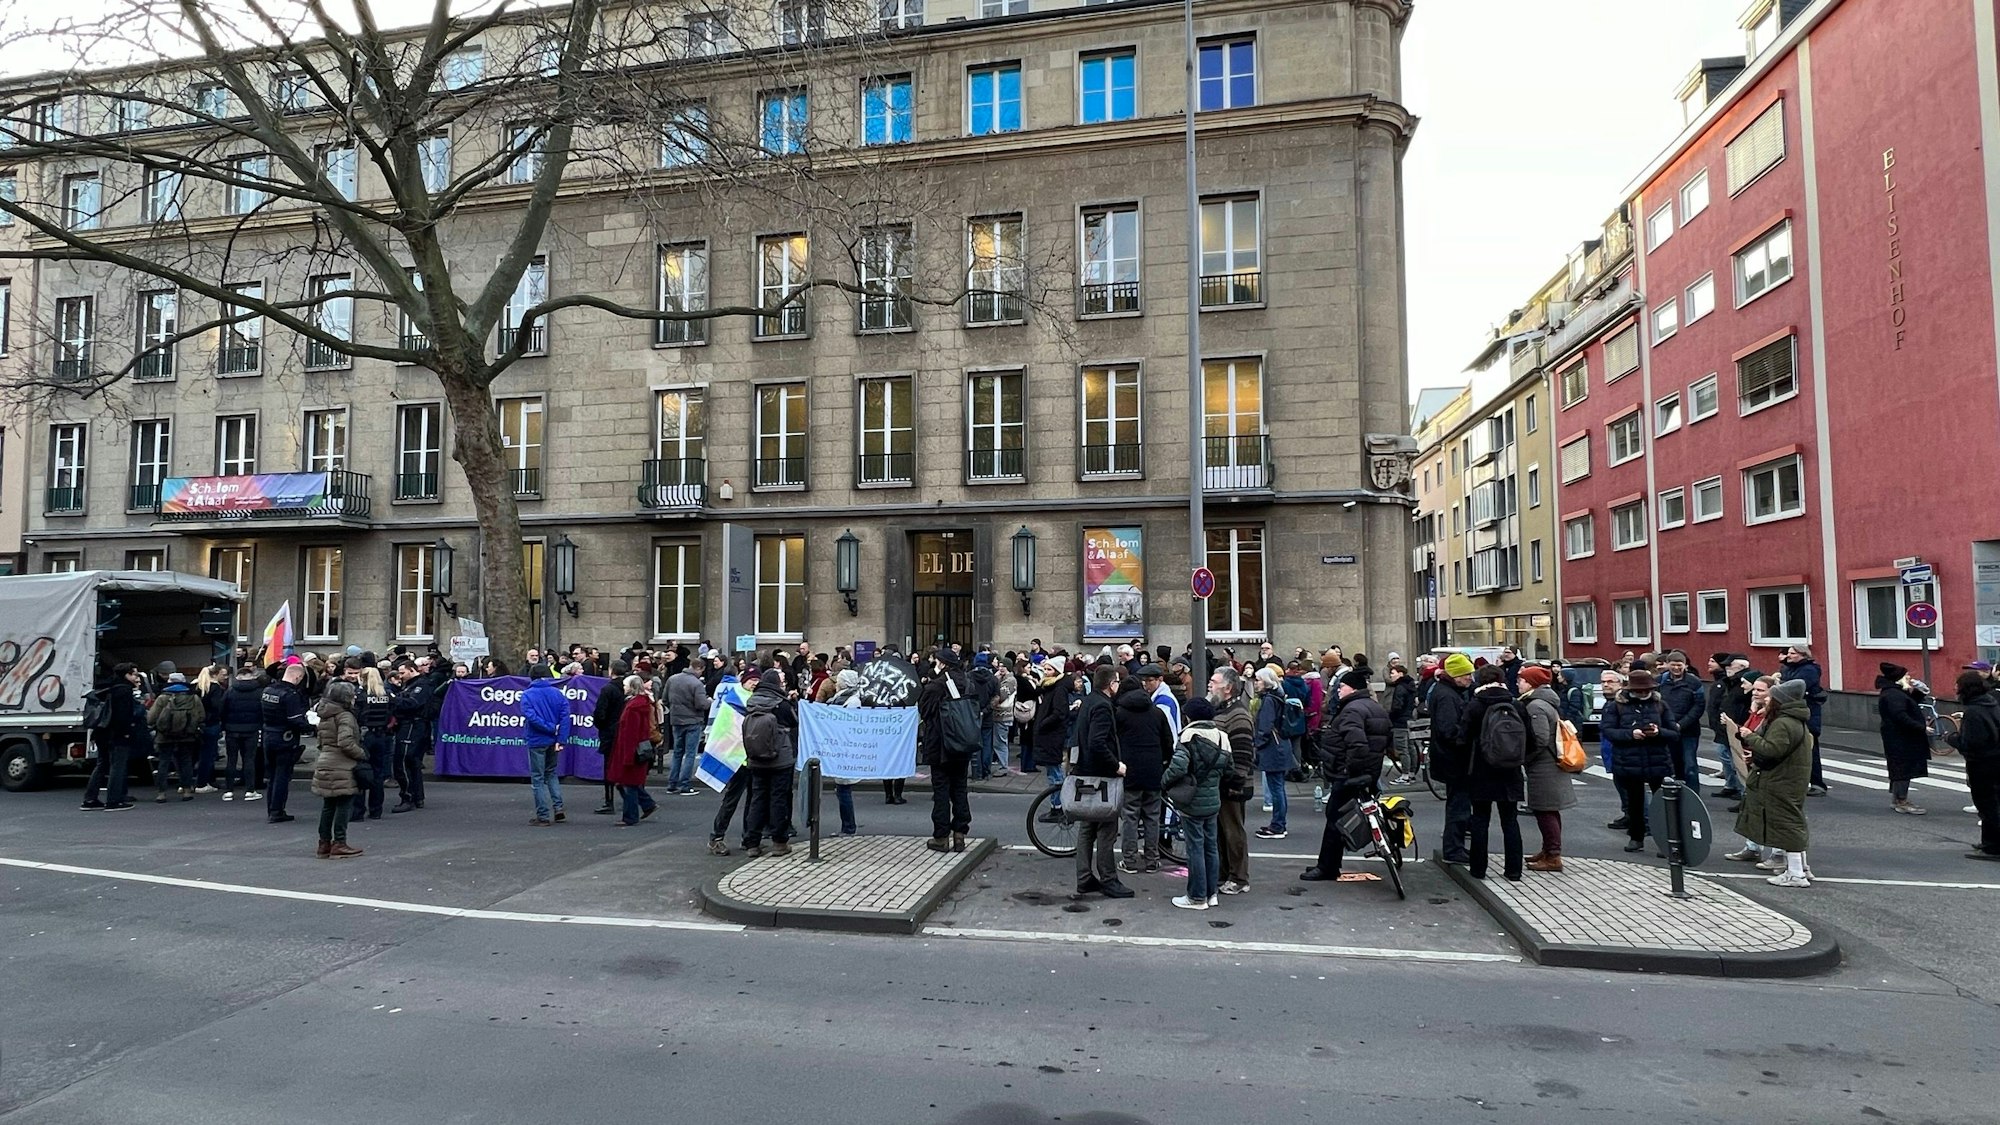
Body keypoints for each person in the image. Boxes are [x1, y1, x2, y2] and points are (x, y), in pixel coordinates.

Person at [1300, 667, 1391, 881]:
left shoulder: (1352, 710)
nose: (1338, 691)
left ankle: (1327, 867)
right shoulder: (1373, 707)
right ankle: (1329, 863)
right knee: (1345, 816)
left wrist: (1348, 771)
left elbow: (1357, 744)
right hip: (1369, 772)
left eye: (1342, 687)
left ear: (1354, 688)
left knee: (1335, 819)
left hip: (1349, 775)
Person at [1724, 678, 1814, 887]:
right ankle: (1801, 869)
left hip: (1781, 781)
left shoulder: (1783, 722)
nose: (1768, 699)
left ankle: (1796, 873)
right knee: (1793, 823)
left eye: (1772, 696)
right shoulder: (1793, 720)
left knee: (1787, 825)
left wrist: (1750, 737)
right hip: (1789, 779)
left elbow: (1773, 749)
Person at [1459, 665, 1528, 881]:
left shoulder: (1475, 705)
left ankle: (1478, 869)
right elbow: (1530, 739)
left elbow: (1462, 738)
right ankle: (1514, 871)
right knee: (1510, 820)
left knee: (1480, 819)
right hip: (1511, 769)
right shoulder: (1516, 704)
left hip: (1482, 769)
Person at [1070, 665, 1131, 897]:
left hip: (1086, 772)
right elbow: (1097, 742)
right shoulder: (1103, 706)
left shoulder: (1088, 701)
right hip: (1102, 776)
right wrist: (1116, 765)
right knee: (1106, 829)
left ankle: (1084, 877)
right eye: (1117, 682)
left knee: (1087, 827)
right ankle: (1109, 879)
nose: (1118, 686)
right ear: (1110, 684)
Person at [1602, 667, 1679, 853]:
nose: (1644, 693)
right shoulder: (1616, 706)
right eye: (1639, 691)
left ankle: (1666, 841)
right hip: (1629, 761)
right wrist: (1631, 734)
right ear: (1630, 690)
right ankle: (1636, 837)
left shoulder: (1660, 705)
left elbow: (1674, 733)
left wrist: (1658, 732)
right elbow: (1608, 731)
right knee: (1635, 804)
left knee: (1663, 804)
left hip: (1657, 760)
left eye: (1647, 690)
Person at [1162, 698, 1228, 909]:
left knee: (1195, 849)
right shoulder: (1222, 737)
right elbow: (1230, 769)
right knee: (1211, 847)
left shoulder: (1188, 736)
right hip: (1213, 800)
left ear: (1190, 716)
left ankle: (1196, 896)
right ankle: (1212, 893)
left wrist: (1163, 782)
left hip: (1192, 801)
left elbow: (1178, 767)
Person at [1516, 665, 1575, 872]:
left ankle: (1553, 856)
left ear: (1531, 683)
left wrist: (1526, 758)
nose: (1518, 683)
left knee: (1545, 811)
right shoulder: (1545, 702)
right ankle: (1548, 850)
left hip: (1544, 766)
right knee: (1548, 810)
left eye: (1521, 680)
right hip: (1549, 764)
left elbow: (1540, 739)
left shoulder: (1536, 706)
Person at [919, 649, 978, 854]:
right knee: (960, 788)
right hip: (964, 742)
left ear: (942, 664)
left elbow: (924, 711)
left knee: (942, 791)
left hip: (941, 744)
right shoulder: (968, 682)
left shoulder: (936, 685)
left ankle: (941, 836)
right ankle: (960, 834)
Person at [1114, 671, 1172, 874]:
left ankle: (1129, 860)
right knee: (1152, 817)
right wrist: (1164, 763)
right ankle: (1152, 860)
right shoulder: (1157, 712)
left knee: (1130, 816)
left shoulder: (1120, 713)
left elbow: (1114, 742)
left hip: (1129, 771)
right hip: (1153, 771)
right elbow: (1168, 743)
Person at [740, 668, 798, 857]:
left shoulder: (752, 701)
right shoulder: (781, 703)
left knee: (758, 799)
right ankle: (779, 842)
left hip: (755, 757)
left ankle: (752, 844)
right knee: (778, 799)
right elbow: (793, 722)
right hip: (780, 758)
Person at [1211, 666, 1256, 895]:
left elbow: (1242, 753)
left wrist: (1235, 782)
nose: (1210, 685)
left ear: (1227, 688)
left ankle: (1239, 877)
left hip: (1233, 785)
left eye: (1214, 682)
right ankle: (1225, 872)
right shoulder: (1223, 710)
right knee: (1222, 830)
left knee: (1233, 831)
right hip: (1223, 782)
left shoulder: (1237, 714)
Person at [1945, 671, 2000, 860]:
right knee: (1993, 804)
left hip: (1983, 764)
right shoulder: (1991, 704)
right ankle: (1989, 842)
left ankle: (1993, 846)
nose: (1955, 689)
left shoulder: (1974, 712)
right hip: (1995, 761)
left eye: (1957, 686)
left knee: (1987, 806)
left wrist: (1951, 738)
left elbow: (1971, 743)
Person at [1428, 653, 1477, 864]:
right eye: (1467, 674)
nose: (1470, 679)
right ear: (1456, 674)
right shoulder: (1447, 696)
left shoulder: (1448, 691)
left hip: (1449, 759)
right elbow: (1449, 730)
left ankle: (1455, 848)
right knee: (1459, 806)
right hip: (1454, 760)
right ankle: (1454, 849)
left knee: (1458, 804)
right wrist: (1468, 738)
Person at [309, 681, 366, 859]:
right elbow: (345, 742)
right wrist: (362, 754)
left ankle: (324, 843)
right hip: (342, 764)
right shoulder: (345, 716)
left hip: (325, 760)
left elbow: (320, 741)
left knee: (328, 805)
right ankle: (339, 843)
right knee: (344, 803)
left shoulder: (325, 714)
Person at [81, 663, 143, 811]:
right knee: (118, 766)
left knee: (101, 765)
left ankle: (90, 799)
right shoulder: (124, 691)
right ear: (126, 675)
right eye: (134, 674)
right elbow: (123, 715)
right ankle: (114, 801)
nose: (136, 677)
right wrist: (127, 732)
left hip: (101, 732)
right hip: (117, 734)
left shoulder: (106, 688)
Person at [259, 660, 313, 824]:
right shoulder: (290, 695)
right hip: (284, 738)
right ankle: (277, 811)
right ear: (297, 677)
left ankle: (271, 808)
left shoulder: (268, 690)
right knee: (282, 775)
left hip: (269, 735)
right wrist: (311, 726)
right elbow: (295, 720)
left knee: (272, 776)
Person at [1876, 662, 1931, 815]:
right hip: (1901, 738)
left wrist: (1921, 691)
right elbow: (1900, 715)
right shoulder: (1893, 694)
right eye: (1906, 676)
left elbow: (1909, 703)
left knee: (1900, 767)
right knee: (1902, 769)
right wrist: (1921, 727)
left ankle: (1898, 799)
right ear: (1898, 678)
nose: (1909, 678)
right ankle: (1901, 800)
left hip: (1899, 737)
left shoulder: (1894, 692)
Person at [1020, 659, 1072, 819]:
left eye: (1049, 669)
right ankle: (1057, 805)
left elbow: (1059, 713)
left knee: (1055, 773)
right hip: (1049, 736)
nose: (1046, 672)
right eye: (1045, 669)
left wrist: (1042, 724)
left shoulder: (1058, 689)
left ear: (1056, 671)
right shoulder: (1050, 686)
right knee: (1053, 772)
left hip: (1052, 737)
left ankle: (1059, 807)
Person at [521, 665, 573, 826]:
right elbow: (565, 718)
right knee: (551, 773)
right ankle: (558, 808)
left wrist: (550, 728)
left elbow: (531, 717)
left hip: (537, 739)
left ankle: (543, 815)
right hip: (553, 740)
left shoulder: (527, 695)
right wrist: (561, 739)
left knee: (538, 778)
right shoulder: (558, 694)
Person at [607, 676, 661, 827]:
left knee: (627, 784)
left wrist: (627, 756)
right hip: (635, 749)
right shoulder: (640, 703)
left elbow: (631, 733)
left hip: (630, 750)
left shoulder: (633, 707)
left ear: (632, 686)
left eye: (625, 685)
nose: (623, 687)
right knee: (629, 783)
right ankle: (647, 804)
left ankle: (630, 816)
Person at [1250, 667, 1297, 840]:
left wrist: (1257, 743)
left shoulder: (1269, 700)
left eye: (1258, 680)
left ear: (1267, 682)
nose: (1256, 683)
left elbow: (1265, 726)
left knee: (1276, 787)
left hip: (1273, 747)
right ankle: (1278, 823)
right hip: (1279, 746)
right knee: (1278, 787)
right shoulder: (1277, 696)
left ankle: (1278, 825)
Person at [146, 671, 205, 802]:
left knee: (164, 763)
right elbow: (201, 716)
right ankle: (187, 791)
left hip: (164, 735)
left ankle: (161, 793)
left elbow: (151, 718)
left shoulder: (163, 697)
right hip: (187, 735)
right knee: (186, 762)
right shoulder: (193, 697)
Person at [1778, 644, 1829, 795]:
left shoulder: (1809, 670)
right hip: (1794, 711)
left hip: (1808, 714)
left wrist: (1781, 684)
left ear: (1802, 654)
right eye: (1789, 653)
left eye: (1793, 653)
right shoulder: (1790, 668)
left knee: (1810, 749)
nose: (1789, 656)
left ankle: (1817, 783)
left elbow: (1794, 688)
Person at [1658, 651, 1706, 794]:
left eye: (1679, 665)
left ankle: (1693, 795)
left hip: (1688, 731)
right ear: (1667, 665)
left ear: (1685, 665)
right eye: (1673, 665)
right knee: (1670, 764)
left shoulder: (1694, 682)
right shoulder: (1659, 681)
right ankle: (1673, 793)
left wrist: (1681, 724)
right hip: (1666, 730)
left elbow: (1698, 707)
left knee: (1689, 765)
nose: (1676, 668)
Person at [350, 664, 393, 820]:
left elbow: (355, 715)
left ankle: (357, 811)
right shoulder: (386, 695)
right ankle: (376, 810)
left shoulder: (360, 696)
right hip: (381, 736)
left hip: (365, 735)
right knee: (378, 774)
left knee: (360, 772)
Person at [387, 662, 430, 814]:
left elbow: (412, 703)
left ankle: (408, 797)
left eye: (403, 672)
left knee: (402, 761)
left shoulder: (421, 685)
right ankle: (417, 797)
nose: (400, 676)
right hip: (408, 725)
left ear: (412, 670)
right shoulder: (410, 685)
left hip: (412, 725)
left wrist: (392, 699)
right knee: (412, 762)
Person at [219, 664, 266, 802]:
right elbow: (263, 711)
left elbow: (222, 710)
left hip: (232, 730)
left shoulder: (230, 691)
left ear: (238, 677)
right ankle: (250, 790)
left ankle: (229, 791)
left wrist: (225, 725)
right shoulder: (259, 692)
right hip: (252, 730)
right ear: (251, 677)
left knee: (231, 760)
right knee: (249, 760)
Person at [663, 658, 710, 795]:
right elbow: (701, 704)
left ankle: (672, 784)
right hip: (693, 721)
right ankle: (685, 785)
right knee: (690, 754)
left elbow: (665, 699)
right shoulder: (697, 684)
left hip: (676, 720)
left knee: (677, 752)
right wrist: (709, 702)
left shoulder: (672, 679)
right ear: (700, 668)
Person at [589, 662, 629, 814]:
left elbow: (600, 713)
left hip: (610, 732)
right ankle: (632, 798)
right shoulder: (627, 689)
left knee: (609, 767)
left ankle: (609, 801)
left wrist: (601, 726)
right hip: (624, 731)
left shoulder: (608, 689)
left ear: (611, 671)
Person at [1385, 661, 1419, 784]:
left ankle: (1404, 775)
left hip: (1400, 721)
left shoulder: (1399, 688)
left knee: (1402, 749)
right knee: (1411, 747)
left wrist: (1391, 716)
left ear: (1400, 673)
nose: (1391, 676)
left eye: (1393, 673)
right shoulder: (1410, 685)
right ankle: (1412, 773)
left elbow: (1397, 706)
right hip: (1410, 719)